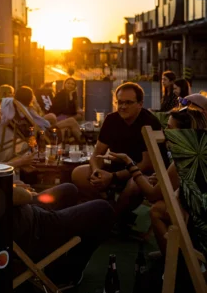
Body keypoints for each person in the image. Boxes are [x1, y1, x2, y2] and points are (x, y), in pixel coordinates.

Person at [0, 129, 115, 288]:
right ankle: (66, 273)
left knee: (69, 190)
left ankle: (58, 258)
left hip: (24, 215)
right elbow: (23, 195)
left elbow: (13, 196)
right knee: (103, 209)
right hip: (34, 231)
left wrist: (1, 178)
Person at [100, 108, 207, 256]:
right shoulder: (200, 153)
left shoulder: (184, 160)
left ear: (183, 133)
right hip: (200, 211)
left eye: (169, 128)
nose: (165, 132)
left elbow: (151, 195)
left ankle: (173, 261)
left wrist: (129, 163)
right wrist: (163, 180)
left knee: (157, 209)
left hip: (199, 224)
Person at [72, 82, 165, 220]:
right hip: (115, 169)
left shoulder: (149, 123)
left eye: (128, 102)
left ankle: (112, 218)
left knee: (135, 185)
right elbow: (97, 153)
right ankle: (112, 208)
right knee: (78, 173)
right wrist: (97, 172)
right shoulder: (111, 120)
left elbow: (146, 165)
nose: (123, 106)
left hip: (141, 173)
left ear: (140, 103)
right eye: (120, 102)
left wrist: (113, 177)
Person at [15, 86, 83, 143]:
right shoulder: (29, 110)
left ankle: (82, 140)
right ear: (30, 98)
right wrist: (51, 125)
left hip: (41, 130)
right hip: (45, 134)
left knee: (68, 122)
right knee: (71, 121)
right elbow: (44, 123)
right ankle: (83, 141)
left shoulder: (20, 108)